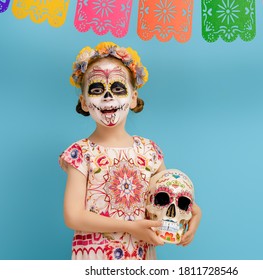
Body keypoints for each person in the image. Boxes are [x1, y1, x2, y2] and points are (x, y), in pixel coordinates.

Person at [59, 42, 201, 260]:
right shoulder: (81, 153)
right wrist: (130, 227)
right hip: (95, 258)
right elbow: (73, 216)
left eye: (118, 88)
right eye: (97, 90)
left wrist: (195, 213)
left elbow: (170, 191)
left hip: (140, 258)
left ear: (133, 97)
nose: (108, 96)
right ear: (84, 102)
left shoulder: (149, 152)